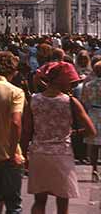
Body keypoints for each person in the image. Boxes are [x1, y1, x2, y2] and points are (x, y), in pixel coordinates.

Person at [23, 60, 94, 214]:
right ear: (64, 82)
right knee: (62, 202)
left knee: (39, 201)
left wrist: (23, 154)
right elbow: (91, 130)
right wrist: (74, 133)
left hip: (39, 152)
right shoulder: (70, 102)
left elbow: (26, 130)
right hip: (62, 154)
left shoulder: (33, 100)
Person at [80, 60, 101, 181]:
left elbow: (83, 99)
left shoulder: (88, 85)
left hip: (93, 113)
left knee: (93, 145)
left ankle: (94, 169)